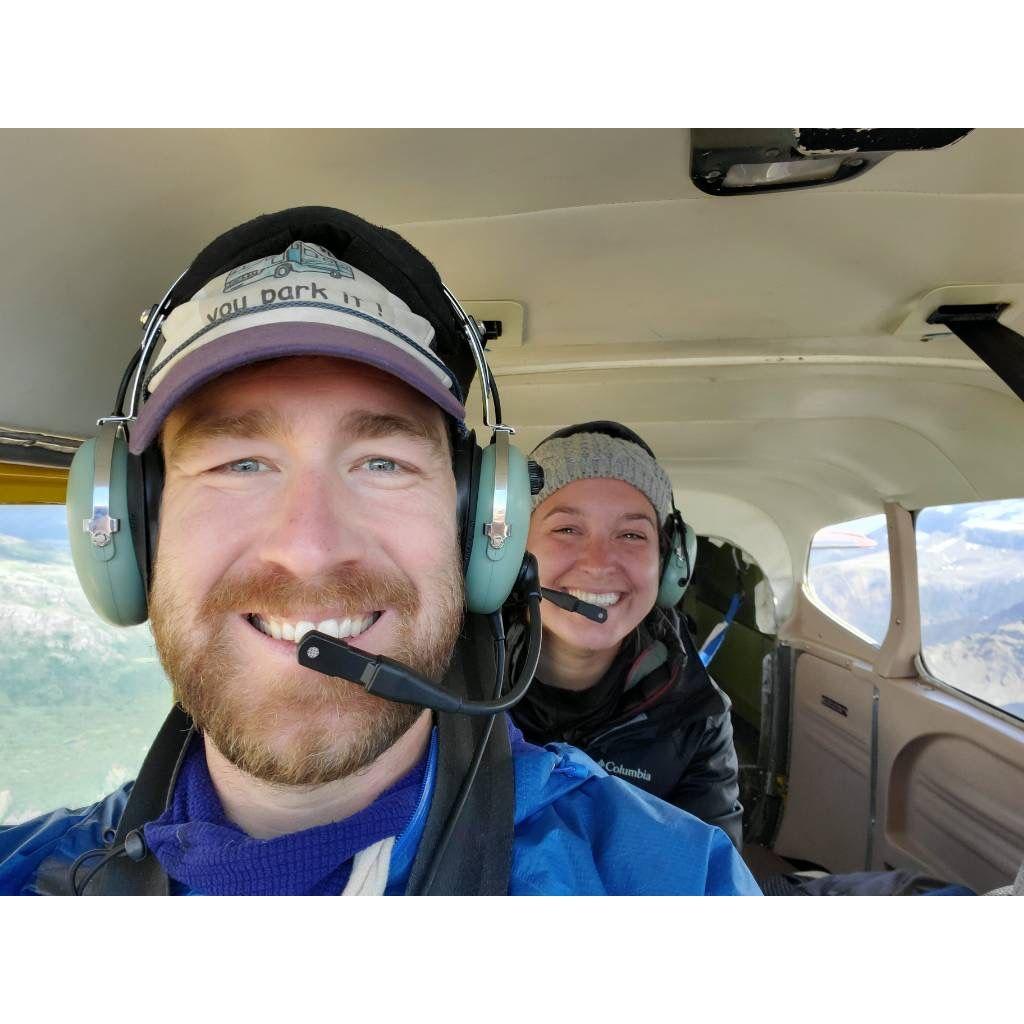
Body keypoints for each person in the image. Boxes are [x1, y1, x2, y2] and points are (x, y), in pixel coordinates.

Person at [0, 207, 759, 895]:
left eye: (383, 465)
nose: (309, 548)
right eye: (240, 464)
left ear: (476, 534)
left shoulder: (676, 884)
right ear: (133, 527)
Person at [512, 422, 744, 848]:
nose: (599, 563)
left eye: (632, 534)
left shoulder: (698, 716)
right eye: (566, 529)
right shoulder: (444, 684)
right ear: (513, 550)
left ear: (669, 564)